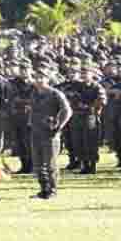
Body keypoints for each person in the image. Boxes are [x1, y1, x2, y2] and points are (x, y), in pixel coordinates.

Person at [30, 69, 71, 199]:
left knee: (50, 163)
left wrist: (59, 126)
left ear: (48, 79)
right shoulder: (34, 94)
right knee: (37, 164)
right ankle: (44, 189)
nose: (39, 80)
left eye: (42, 77)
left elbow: (67, 111)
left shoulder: (55, 94)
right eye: (36, 77)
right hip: (36, 131)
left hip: (50, 134)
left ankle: (52, 190)